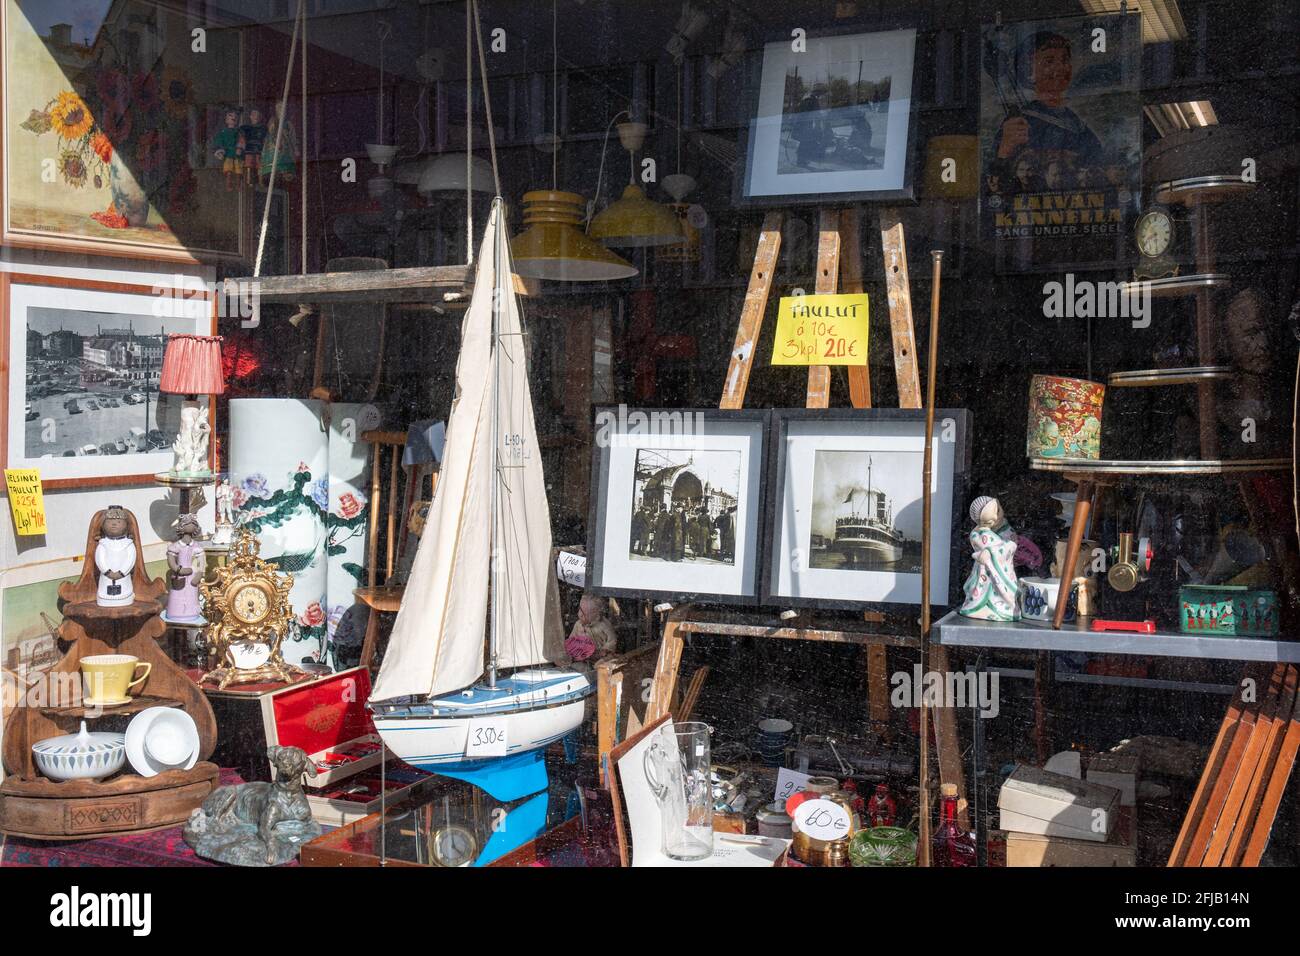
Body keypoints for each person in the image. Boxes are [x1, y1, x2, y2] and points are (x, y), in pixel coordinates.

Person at [991, 31, 1105, 187]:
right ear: (1029, 72)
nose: (1060, 67)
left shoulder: (1077, 125)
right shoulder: (1019, 122)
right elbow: (995, 181)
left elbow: (1098, 167)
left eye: (1064, 60)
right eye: (1049, 61)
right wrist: (1004, 149)